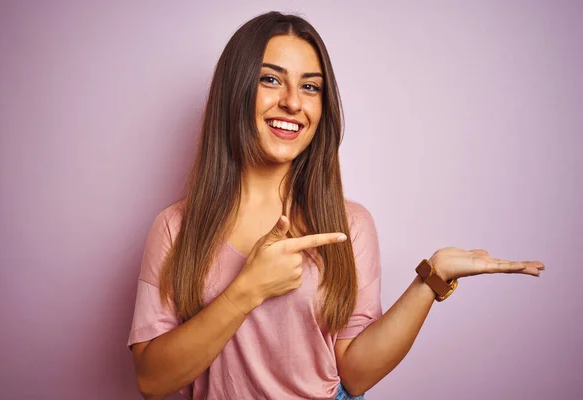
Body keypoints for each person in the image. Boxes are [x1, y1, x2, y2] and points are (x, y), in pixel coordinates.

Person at [127, 11, 544, 400]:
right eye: (271, 80)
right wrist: (247, 289)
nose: (293, 102)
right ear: (234, 91)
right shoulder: (176, 227)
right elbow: (152, 379)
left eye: (310, 87)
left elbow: (356, 374)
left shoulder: (350, 224)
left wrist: (430, 281)